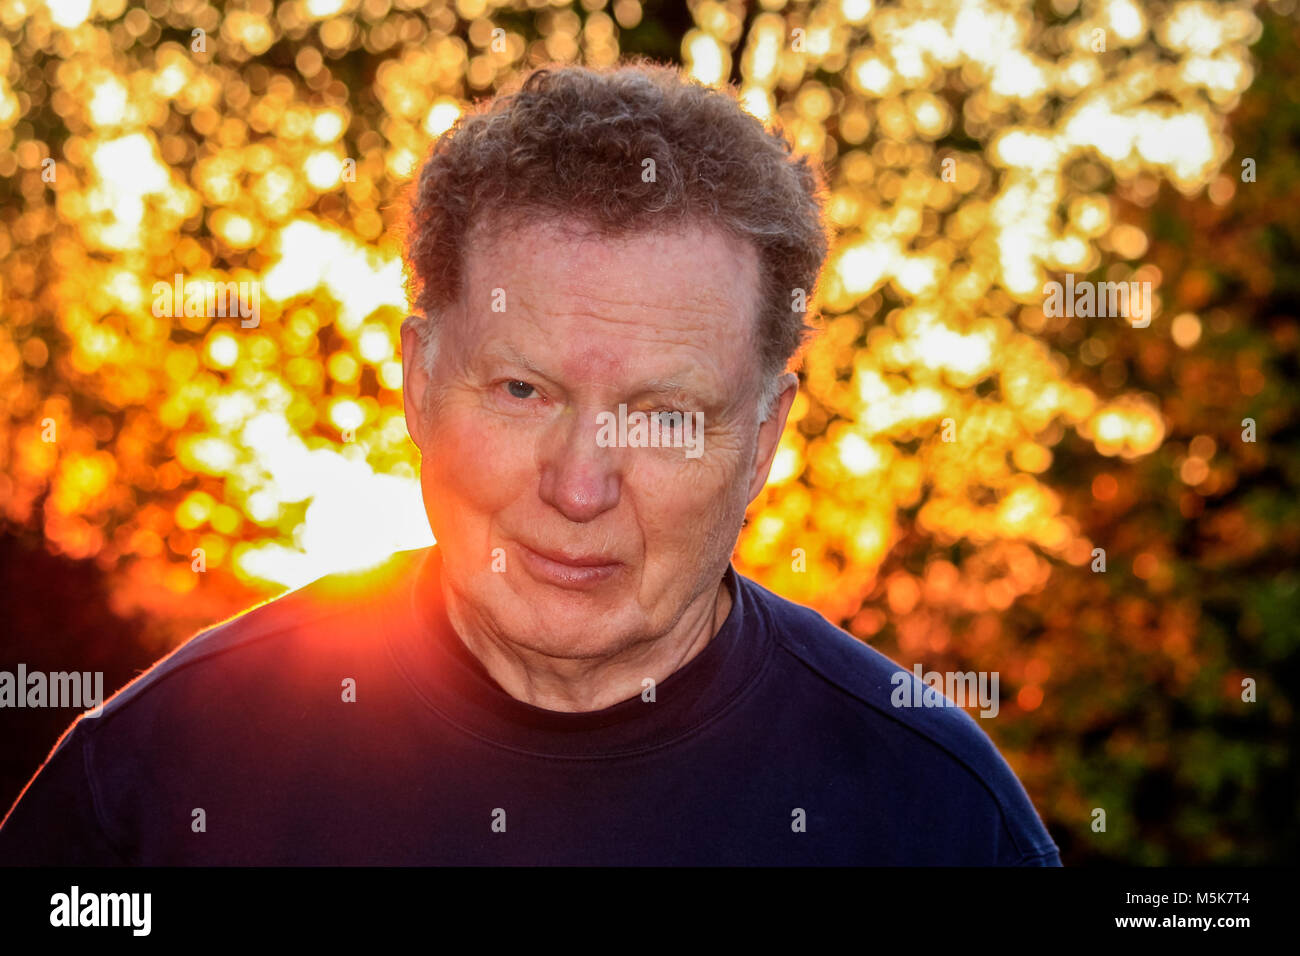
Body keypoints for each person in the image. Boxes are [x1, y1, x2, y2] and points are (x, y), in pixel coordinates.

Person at [0, 62, 1060, 865]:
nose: (579, 485)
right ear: (418, 380)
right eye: (523, 390)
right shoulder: (148, 784)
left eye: (661, 415)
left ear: (765, 438)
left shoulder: (938, 816)